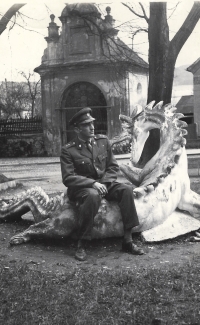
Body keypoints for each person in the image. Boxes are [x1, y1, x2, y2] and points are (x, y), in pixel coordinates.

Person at [60, 107, 144, 261]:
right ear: (77, 129)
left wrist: (103, 183)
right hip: (82, 188)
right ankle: (82, 243)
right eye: (86, 125)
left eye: (92, 123)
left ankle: (128, 240)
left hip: (104, 183)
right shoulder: (68, 150)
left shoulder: (102, 141)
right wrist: (92, 183)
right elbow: (68, 178)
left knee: (126, 190)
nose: (92, 127)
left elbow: (113, 167)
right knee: (92, 196)